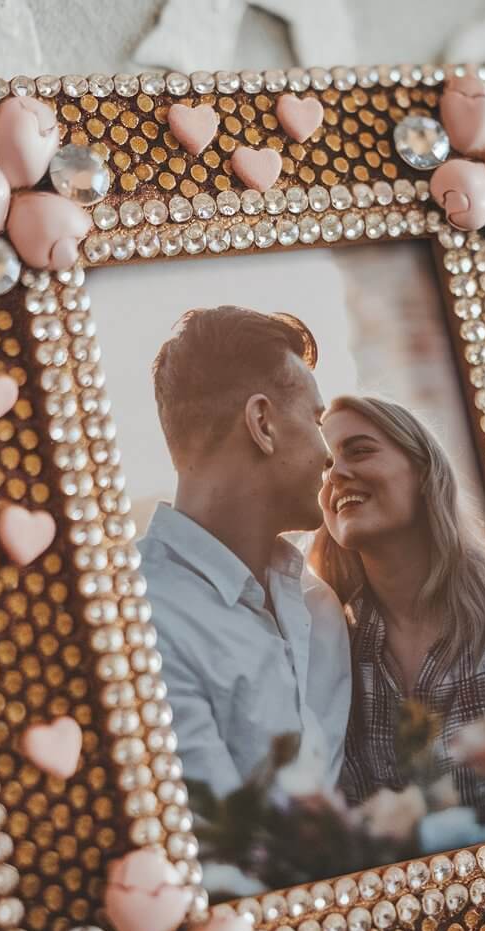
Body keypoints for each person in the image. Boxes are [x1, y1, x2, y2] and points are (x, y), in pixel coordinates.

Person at [139, 306, 352, 799]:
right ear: (262, 423)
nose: (328, 454)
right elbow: (226, 858)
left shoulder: (320, 606)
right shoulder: (141, 617)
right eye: (316, 419)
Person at [309, 395, 485, 832]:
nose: (335, 474)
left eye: (359, 450)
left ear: (423, 471)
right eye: (324, 465)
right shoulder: (330, 651)